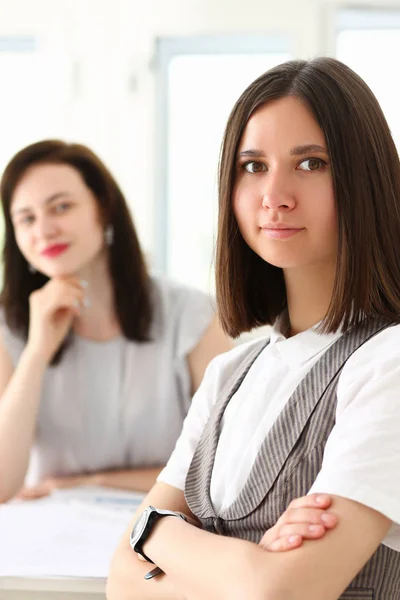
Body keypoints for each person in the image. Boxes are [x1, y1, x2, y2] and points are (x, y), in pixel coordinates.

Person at [107, 56, 400, 600]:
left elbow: (283, 593)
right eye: (253, 166)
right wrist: (249, 568)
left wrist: (157, 532)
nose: (275, 194)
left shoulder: (390, 363)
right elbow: (123, 581)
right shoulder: (230, 373)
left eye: (312, 163)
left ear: (367, 180)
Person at [0, 140, 231, 503]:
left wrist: (90, 483)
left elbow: (225, 466)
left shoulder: (190, 315)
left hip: (165, 525)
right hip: (53, 532)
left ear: (104, 208)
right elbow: (3, 485)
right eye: (26, 218)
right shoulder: (8, 327)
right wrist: (36, 352)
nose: (43, 230)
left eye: (61, 207)